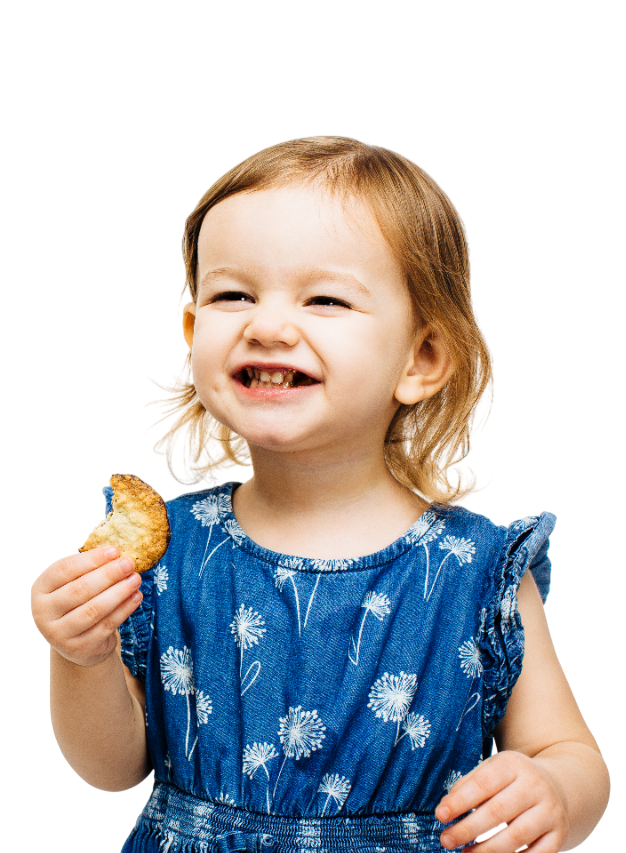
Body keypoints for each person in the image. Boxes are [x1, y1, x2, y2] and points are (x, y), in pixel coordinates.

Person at [32, 136, 610, 852]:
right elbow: (113, 769)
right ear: (192, 330)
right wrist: (81, 655)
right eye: (232, 293)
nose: (267, 325)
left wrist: (552, 789)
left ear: (422, 357)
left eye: (325, 298)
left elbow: (573, 754)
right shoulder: (168, 555)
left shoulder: (479, 570)